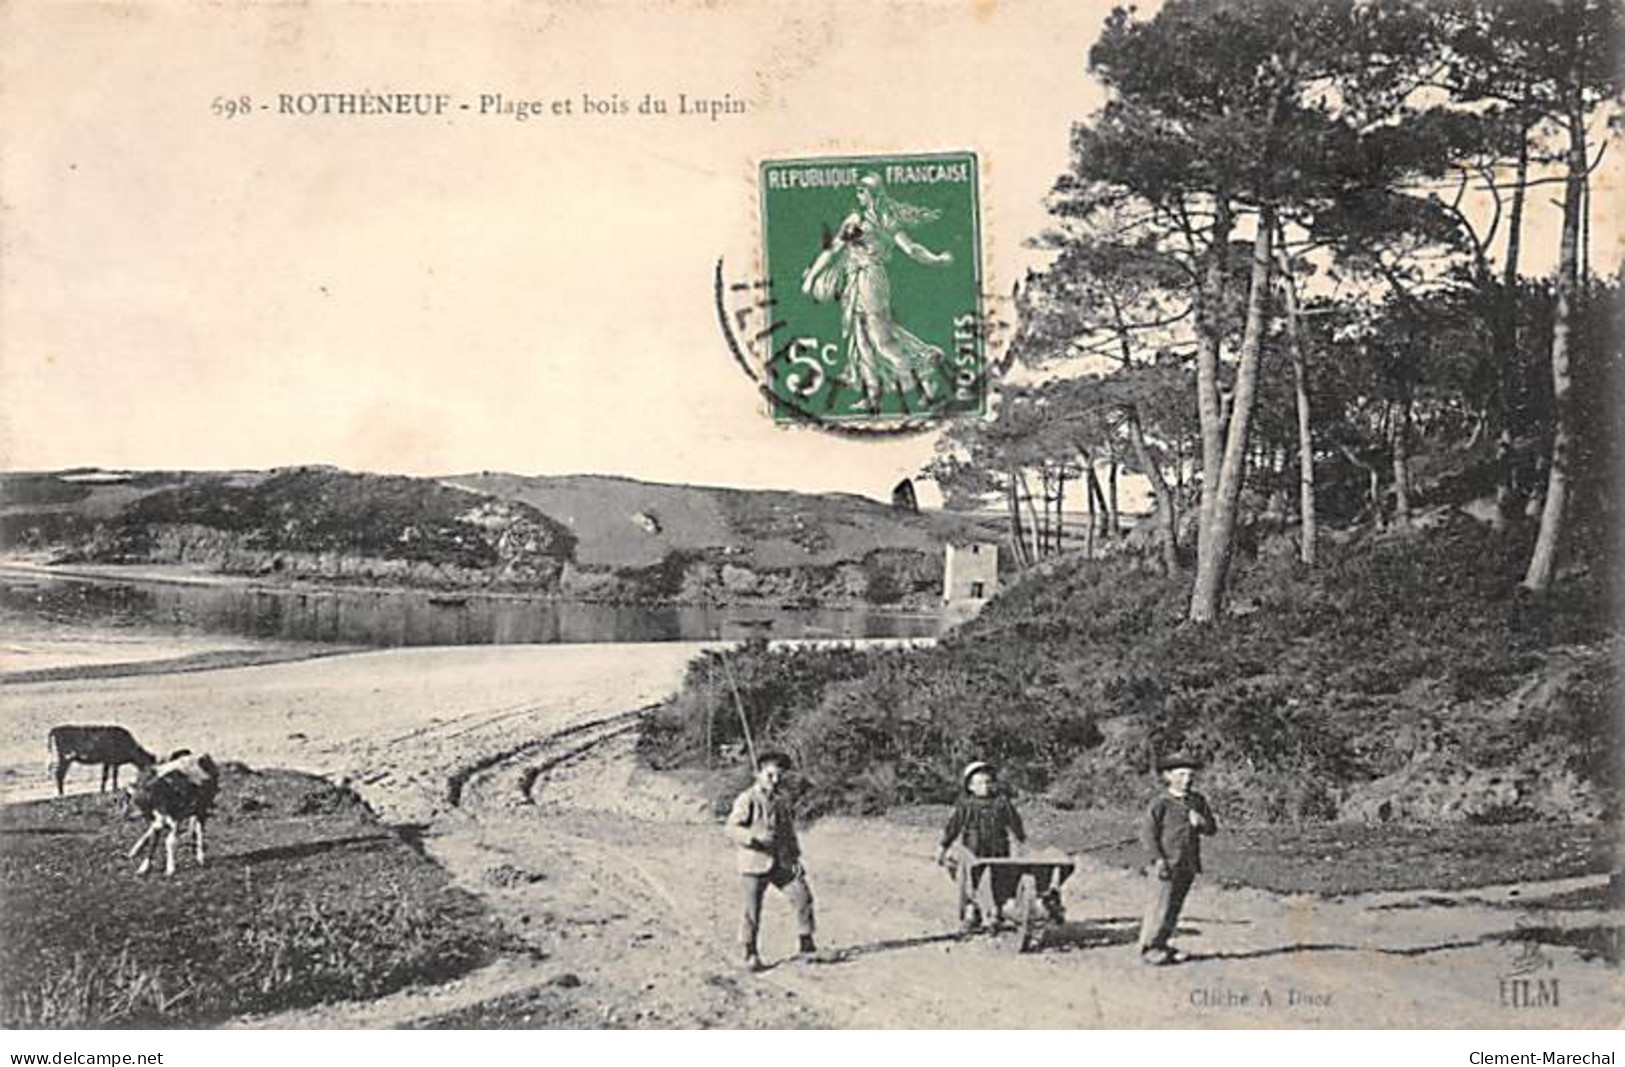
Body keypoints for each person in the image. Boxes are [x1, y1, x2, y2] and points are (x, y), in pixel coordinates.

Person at [800, 172, 954, 414]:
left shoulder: (886, 220)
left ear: (873, 193)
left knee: (881, 339)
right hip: (853, 280)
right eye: (857, 190)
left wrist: (936, 260)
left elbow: (911, 248)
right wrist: (811, 278)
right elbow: (832, 249)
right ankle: (873, 396)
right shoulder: (854, 219)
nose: (858, 195)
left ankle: (926, 376)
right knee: (861, 339)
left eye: (862, 190)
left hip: (872, 280)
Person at [725, 751, 817, 972]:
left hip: (781, 862)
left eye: (779, 777)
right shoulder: (747, 799)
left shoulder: (782, 801)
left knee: (802, 897)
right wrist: (754, 839)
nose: (775, 781)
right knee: (752, 910)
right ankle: (750, 953)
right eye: (770, 775)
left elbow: (788, 834)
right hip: (754, 863)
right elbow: (731, 828)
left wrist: (794, 858)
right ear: (757, 774)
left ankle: (807, 946)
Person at [1137, 753, 1218, 965]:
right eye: (1181, 774)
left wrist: (1200, 822)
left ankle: (1163, 945)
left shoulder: (1197, 801)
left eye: (1190, 775)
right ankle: (1149, 948)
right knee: (1159, 907)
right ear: (1168, 776)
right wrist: (1159, 860)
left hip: (1187, 862)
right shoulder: (1160, 803)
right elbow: (1147, 834)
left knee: (1174, 908)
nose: (1187, 779)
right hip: (1165, 863)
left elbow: (1211, 829)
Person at [936, 760, 1027, 931]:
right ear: (970, 786)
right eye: (979, 782)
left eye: (988, 782)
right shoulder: (965, 805)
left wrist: (1021, 841)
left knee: (998, 878)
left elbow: (1015, 823)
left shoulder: (1001, 803)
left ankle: (996, 910)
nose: (985, 786)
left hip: (998, 850)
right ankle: (971, 910)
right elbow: (953, 827)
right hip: (973, 849)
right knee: (969, 878)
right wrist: (943, 847)